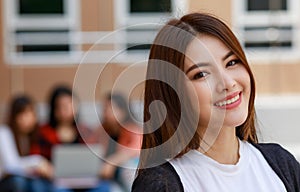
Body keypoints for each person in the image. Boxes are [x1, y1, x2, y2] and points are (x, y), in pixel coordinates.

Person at [132, 12, 300, 192]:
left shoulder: (280, 164)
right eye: (201, 74)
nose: (228, 83)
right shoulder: (162, 184)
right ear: (173, 93)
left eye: (232, 62)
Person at [0, 95, 54, 192]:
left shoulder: (31, 136)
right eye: (23, 114)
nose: (27, 118)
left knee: (39, 185)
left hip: (26, 179)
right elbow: (10, 166)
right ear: (14, 116)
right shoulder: (4, 133)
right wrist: (38, 162)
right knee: (18, 181)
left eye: (31, 113)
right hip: (5, 181)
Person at [91, 93, 142, 192]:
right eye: (104, 109)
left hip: (126, 169)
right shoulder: (101, 131)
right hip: (107, 174)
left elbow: (133, 150)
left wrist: (111, 163)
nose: (105, 112)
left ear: (122, 111)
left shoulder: (133, 130)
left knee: (128, 168)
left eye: (109, 108)